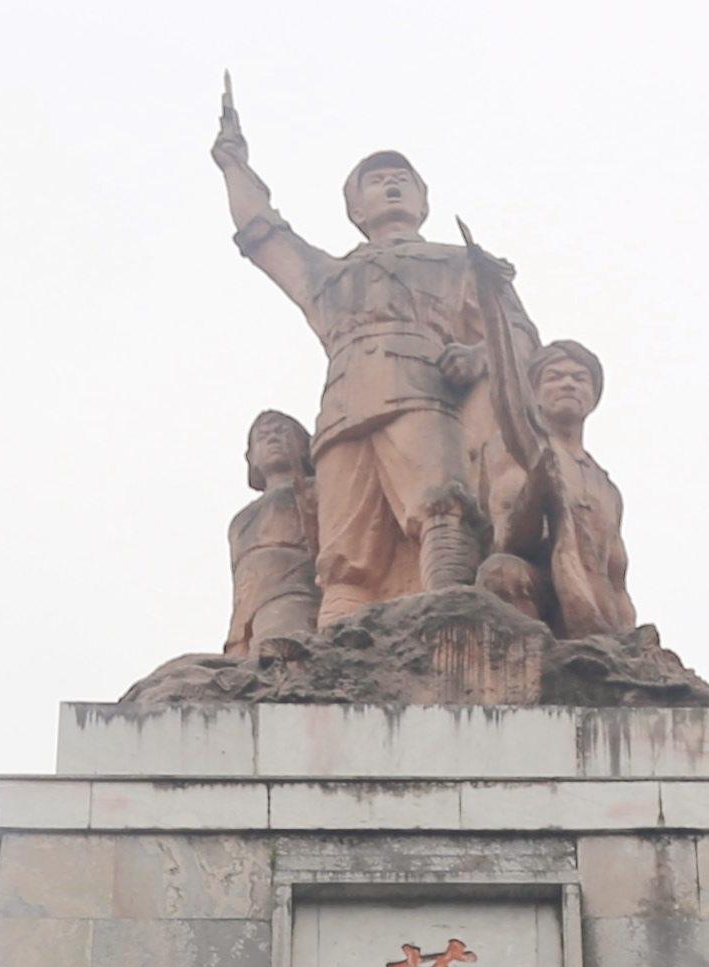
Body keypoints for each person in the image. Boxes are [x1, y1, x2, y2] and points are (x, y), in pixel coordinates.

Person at [210, 100, 514, 618]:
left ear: (422, 202)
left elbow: (516, 342)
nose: (390, 186)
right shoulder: (330, 276)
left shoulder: (462, 263)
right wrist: (234, 165)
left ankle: (452, 620)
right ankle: (337, 648)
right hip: (343, 410)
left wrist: (478, 356)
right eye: (375, 182)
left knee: (442, 508)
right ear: (356, 210)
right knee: (344, 551)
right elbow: (265, 238)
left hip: (424, 392)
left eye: (402, 179)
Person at [528, 339, 635, 637]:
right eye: (555, 376)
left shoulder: (608, 489)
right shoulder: (516, 452)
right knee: (505, 574)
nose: (568, 384)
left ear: (593, 396)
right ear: (534, 393)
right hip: (542, 596)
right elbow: (509, 542)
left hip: (598, 606)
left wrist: (628, 636)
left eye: (579, 378)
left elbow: (617, 577)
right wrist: (535, 489)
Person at [224, 408, 323, 658]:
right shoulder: (239, 521)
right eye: (263, 436)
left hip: (295, 593)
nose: (273, 439)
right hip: (247, 609)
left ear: (304, 446)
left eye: (282, 432)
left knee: (279, 651)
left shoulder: (318, 489)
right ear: (252, 458)